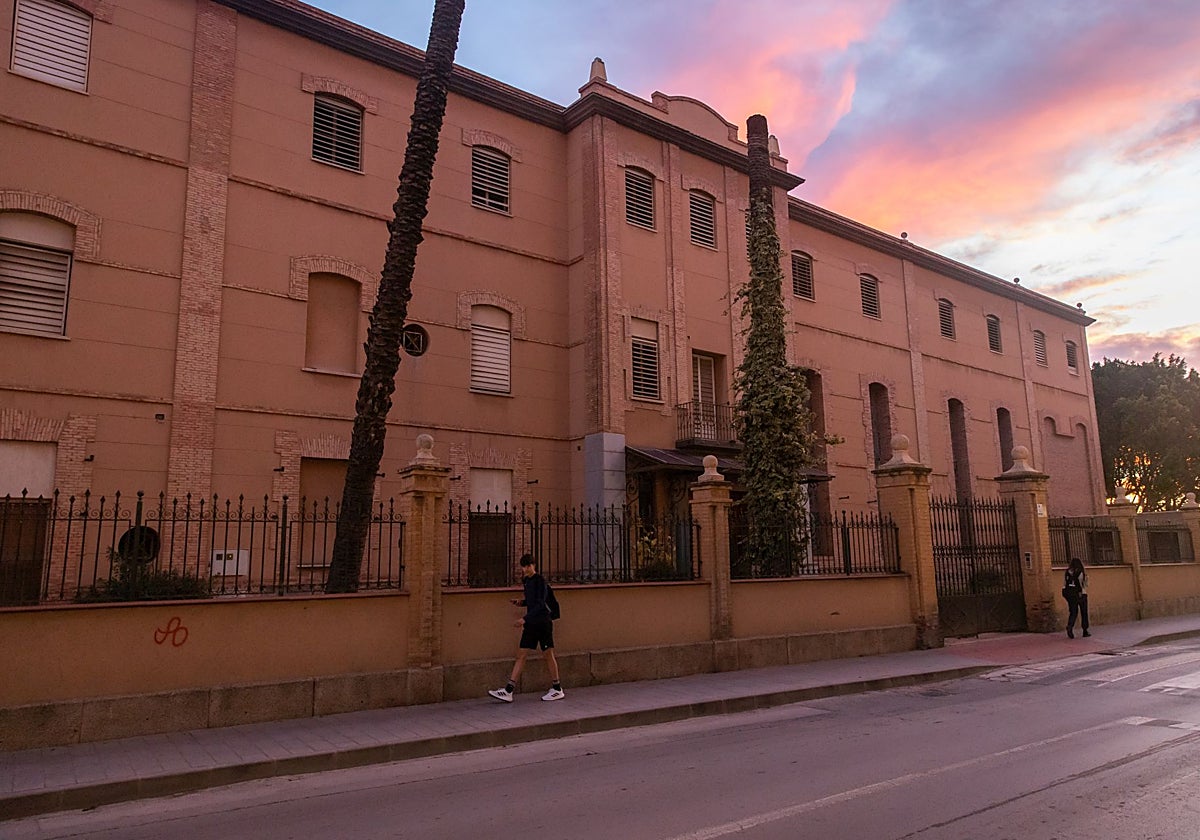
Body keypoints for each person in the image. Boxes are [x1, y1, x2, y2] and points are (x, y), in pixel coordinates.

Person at [488, 554, 564, 702]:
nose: (526, 569)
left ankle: (557, 688)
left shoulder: (540, 581)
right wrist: (521, 603)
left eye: (529, 565)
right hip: (531, 624)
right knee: (521, 654)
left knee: (548, 654)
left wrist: (524, 619)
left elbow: (541, 604)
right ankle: (508, 690)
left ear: (534, 565)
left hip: (543, 623)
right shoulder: (527, 581)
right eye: (524, 566)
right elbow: (532, 602)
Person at [1064, 557, 1090, 639]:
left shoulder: (1067, 572)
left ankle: (1070, 626)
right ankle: (1085, 630)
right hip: (1081, 594)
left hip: (1070, 595)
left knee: (1073, 612)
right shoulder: (1080, 572)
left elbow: (1065, 583)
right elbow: (1084, 585)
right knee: (1084, 612)